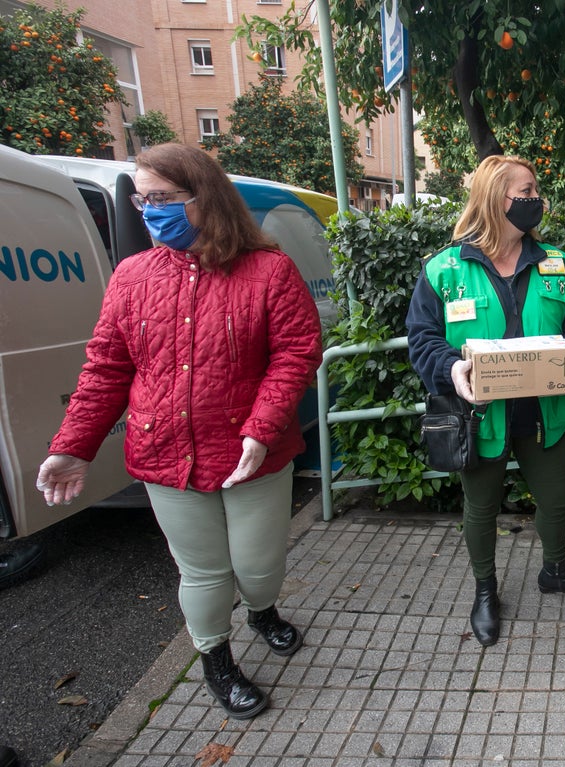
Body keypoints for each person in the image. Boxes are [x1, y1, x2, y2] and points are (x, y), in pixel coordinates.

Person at [37, 143, 322, 719]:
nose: (148, 210)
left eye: (162, 199)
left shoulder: (269, 269)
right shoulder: (131, 276)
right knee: (204, 571)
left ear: (205, 197)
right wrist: (73, 446)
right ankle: (216, 658)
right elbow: (106, 367)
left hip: (252, 456)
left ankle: (262, 610)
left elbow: (296, 351)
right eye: (143, 199)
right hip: (166, 454)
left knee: (258, 565)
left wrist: (262, 427)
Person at [406, 155, 565, 648]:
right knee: (481, 507)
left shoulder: (558, 262)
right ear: (496, 200)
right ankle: (485, 590)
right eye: (527, 191)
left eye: (536, 191)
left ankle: (554, 570)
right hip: (479, 414)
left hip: (543, 412)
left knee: (557, 499)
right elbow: (421, 338)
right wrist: (452, 367)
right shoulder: (444, 269)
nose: (537, 200)